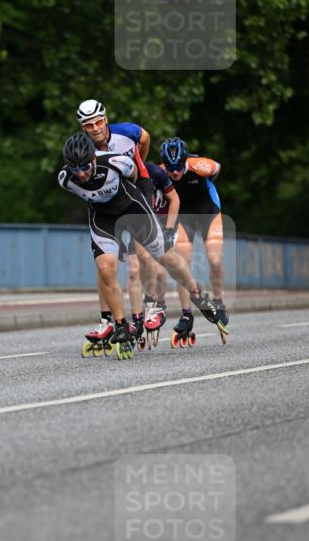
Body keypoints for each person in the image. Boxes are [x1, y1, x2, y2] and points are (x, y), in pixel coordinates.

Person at [58, 133, 221, 359]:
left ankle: (196, 293)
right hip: (102, 218)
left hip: (131, 208)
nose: (82, 174)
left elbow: (138, 178)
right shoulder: (65, 179)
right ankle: (121, 325)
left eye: (85, 166)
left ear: (94, 158)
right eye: (75, 169)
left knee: (166, 258)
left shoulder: (115, 162)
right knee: (105, 269)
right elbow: (86, 191)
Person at [76, 99, 157, 342]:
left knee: (141, 257)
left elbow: (145, 138)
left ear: (106, 118)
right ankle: (107, 321)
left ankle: (151, 306)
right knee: (106, 266)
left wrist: (138, 162)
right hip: (107, 201)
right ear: (83, 128)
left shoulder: (127, 132)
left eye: (99, 121)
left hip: (136, 187)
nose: (95, 128)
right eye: (88, 125)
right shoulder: (84, 147)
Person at [158, 137, 229, 338]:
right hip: (184, 216)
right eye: (170, 169)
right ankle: (186, 314)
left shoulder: (199, 165)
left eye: (179, 167)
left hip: (208, 212)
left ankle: (218, 301)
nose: (175, 173)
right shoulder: (160, 171)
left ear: (185, 161)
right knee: (182, 262)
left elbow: (217, 169)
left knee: (214, 259)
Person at [141, 160, 181, 343]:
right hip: (147, 222)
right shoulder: (137, 173)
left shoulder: (159, 174)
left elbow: (175, 200)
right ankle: (148, 303)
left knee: (159, 267)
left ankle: (160, 304)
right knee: (143, 265)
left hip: (165, 223)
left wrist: (169, 230)